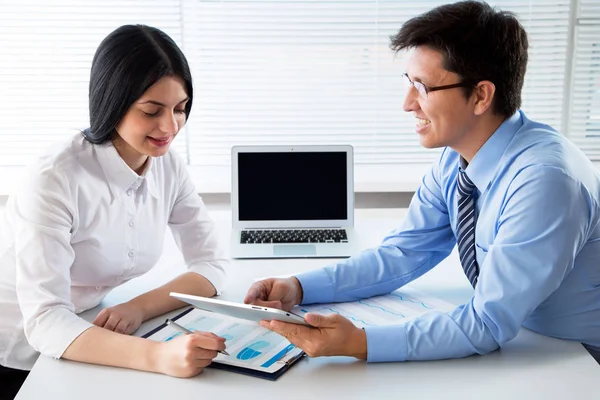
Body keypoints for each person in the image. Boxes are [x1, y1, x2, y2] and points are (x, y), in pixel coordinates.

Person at [245, 1, 600, 364]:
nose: (407, 103)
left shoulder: (544, 182)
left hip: (579, 357)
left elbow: (489, 321)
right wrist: (299, 286)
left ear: (481, 95)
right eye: (407, 83)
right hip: (529, 337)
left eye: (422, 87)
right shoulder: (457, 159)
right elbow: (403, 253)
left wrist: (359, 343)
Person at [0, 25, 229, 399]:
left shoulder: (168, 167)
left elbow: (213, 265)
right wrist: (161, 357)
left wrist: (138, 307)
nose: (170, 127)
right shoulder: (55, 177)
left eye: (180, 108)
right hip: (16, 350)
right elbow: (43, 321)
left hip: (87, 328)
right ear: (113, 101)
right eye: (152, 110)